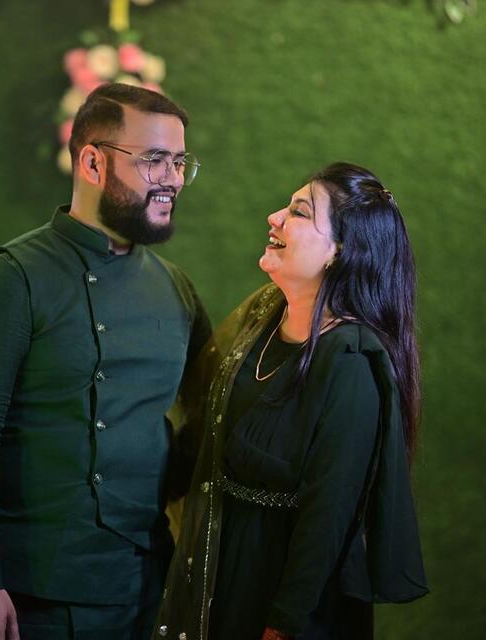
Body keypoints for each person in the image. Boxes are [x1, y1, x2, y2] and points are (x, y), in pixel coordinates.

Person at [0, 83, 211, 640]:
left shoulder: (175, 288)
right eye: (155, 160)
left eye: (180, 162)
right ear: (92, 162)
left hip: (149, 591)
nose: (174, 179)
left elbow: (215, 411)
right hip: (34, 597)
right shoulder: (10, 279)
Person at [153, 163, 429, 640]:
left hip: (286, 597)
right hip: (219, 572)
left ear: (340, 251)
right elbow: (204, 434)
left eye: (299, 212)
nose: (275, 217)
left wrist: (283, 622)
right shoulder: (262, 317)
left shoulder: (351, 361)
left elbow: (330, 512)